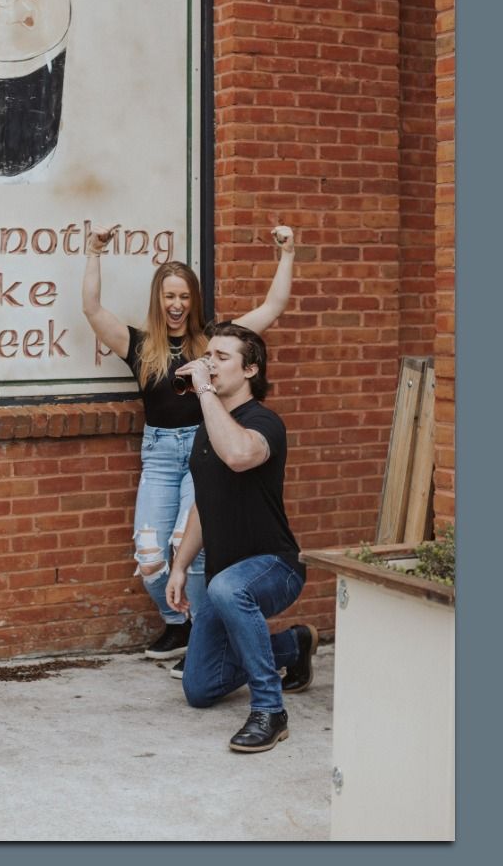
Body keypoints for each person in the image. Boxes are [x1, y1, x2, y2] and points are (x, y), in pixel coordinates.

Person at [80, 223, 295, 667]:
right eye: (169, 296)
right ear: (159, 300)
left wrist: (288, 253)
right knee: (151, 553)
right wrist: (93, 252)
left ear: (193, 300)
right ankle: (176, 623)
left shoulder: (212, 342)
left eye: (184, 296)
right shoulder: (139, 345)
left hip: (204, 453)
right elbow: (92, 309)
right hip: (159, 455)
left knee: (189, 547)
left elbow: (272, 308)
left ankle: (200, 634)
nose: (176, 305)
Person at [165, 322, 319, 753]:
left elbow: (238, 456)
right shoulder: (207, 427)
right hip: (222, 579)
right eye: (207, 355)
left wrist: (205, 393)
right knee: (200, 688)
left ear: (250, 369)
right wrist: (179, 565)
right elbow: (203, 503)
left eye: (221, 357)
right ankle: (292, 646)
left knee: (229, 588)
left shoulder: (266, 422)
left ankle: (270, 711)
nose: (208, 363)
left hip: (275, 566)